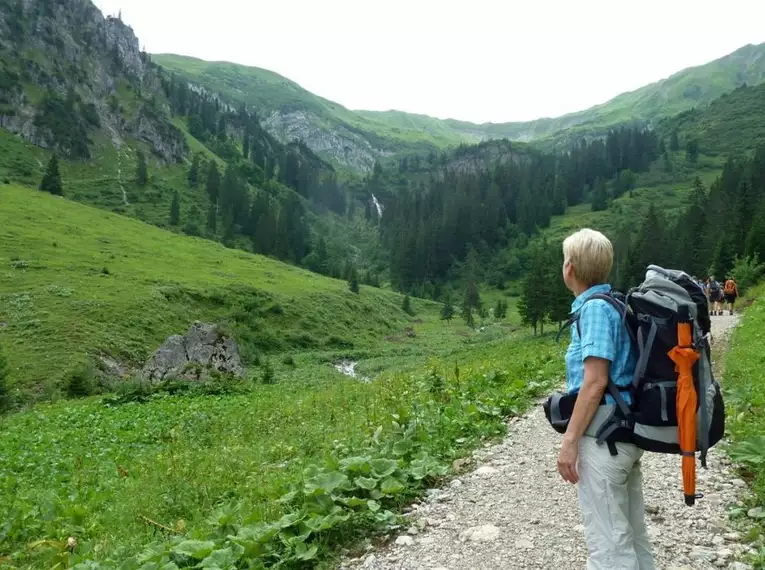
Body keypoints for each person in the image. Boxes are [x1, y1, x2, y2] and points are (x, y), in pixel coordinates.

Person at [557, 228, 655, 570]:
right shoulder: (614, 303)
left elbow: (595, 381)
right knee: (631, 532)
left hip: (604, 440)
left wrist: (569, 441)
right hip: (622, 435)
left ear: (570, 268)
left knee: (608, 544)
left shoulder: (595, 310)